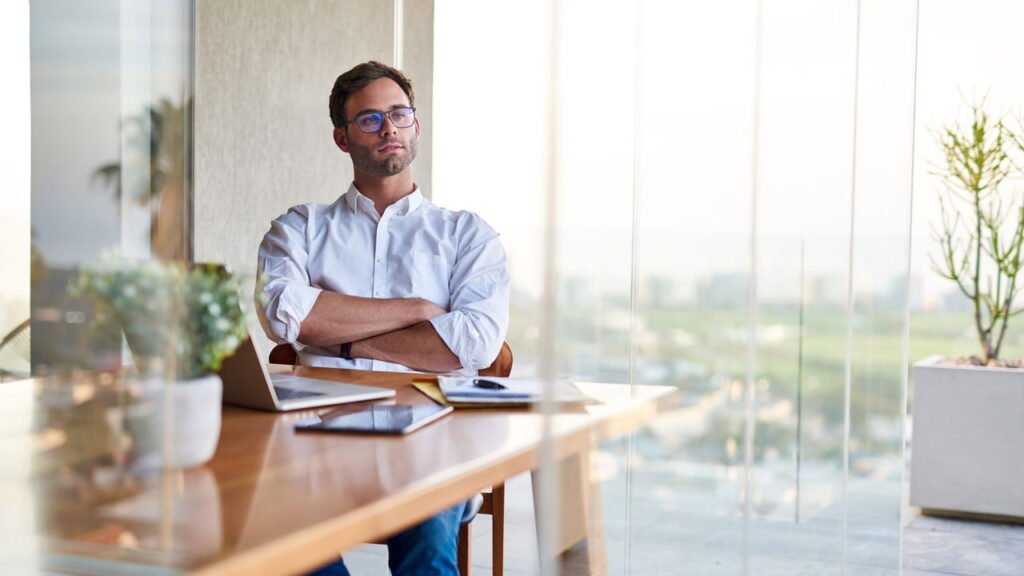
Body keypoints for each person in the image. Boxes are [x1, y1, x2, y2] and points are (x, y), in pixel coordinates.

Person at [255, 61, 510, 575]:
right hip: (317, 442)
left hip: (433, 443)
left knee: (427, 544)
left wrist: (342, 338)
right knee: (278, 542)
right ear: (342, 138)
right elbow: (283, 314)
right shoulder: (300, 227)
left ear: (416, 125)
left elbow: (475, 343)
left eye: (399, 114)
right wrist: (417, 311)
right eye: (370, 119)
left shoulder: (467, 235)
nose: (388, 128)